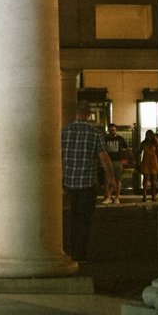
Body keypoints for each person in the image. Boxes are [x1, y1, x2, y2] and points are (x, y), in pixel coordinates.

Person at [61, 100, 115, 263]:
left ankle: (71, 249)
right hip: (87, 183)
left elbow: (58, 155)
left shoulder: (66, 131)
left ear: (76, 113)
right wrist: (111, 177)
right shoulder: (94, 132)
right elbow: (104, 157)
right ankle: (80, 252)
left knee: (73, 216)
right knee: (84, 218)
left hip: (69, 182)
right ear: (89, 114)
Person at [102, 122, 128, 205]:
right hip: (108, 161)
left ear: (116, 130)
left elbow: (126, 149)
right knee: (107, 180)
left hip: (117, 161)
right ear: (108, 131)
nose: (112, 131)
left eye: (113, 130)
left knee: (117, 180)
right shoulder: (105, 139)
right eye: (110, 130)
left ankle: (117, 197)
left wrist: (124, 161)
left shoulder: (120, 138)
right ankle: (108, 197)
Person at [139, 129, 158, 203]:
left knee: (153, 180)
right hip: (146, 161)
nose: (149, 136)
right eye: (148, 135)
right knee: (145, 178)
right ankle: (144, 195)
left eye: (150, 135)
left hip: (153, 161)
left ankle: (153, 196)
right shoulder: (143, 143)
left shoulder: (155, 143)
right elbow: (139, 152)